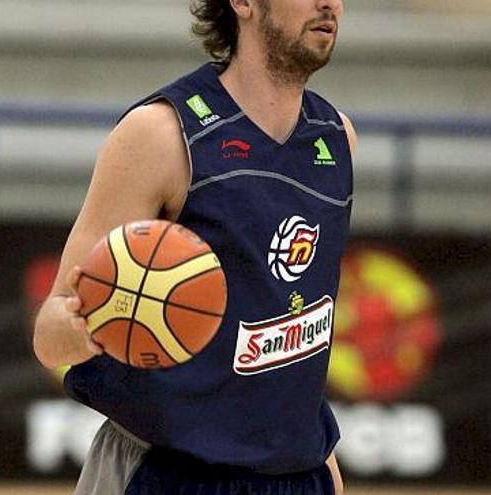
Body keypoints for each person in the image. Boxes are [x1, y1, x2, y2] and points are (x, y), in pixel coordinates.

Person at [32, 0, 355, 492]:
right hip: (165, 472)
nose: (329, 3)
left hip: (298, 475)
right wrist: (93, 324)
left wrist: (321, 465)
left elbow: (302, 346)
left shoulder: (337, 138)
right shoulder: (160, 134)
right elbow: (49, 333)